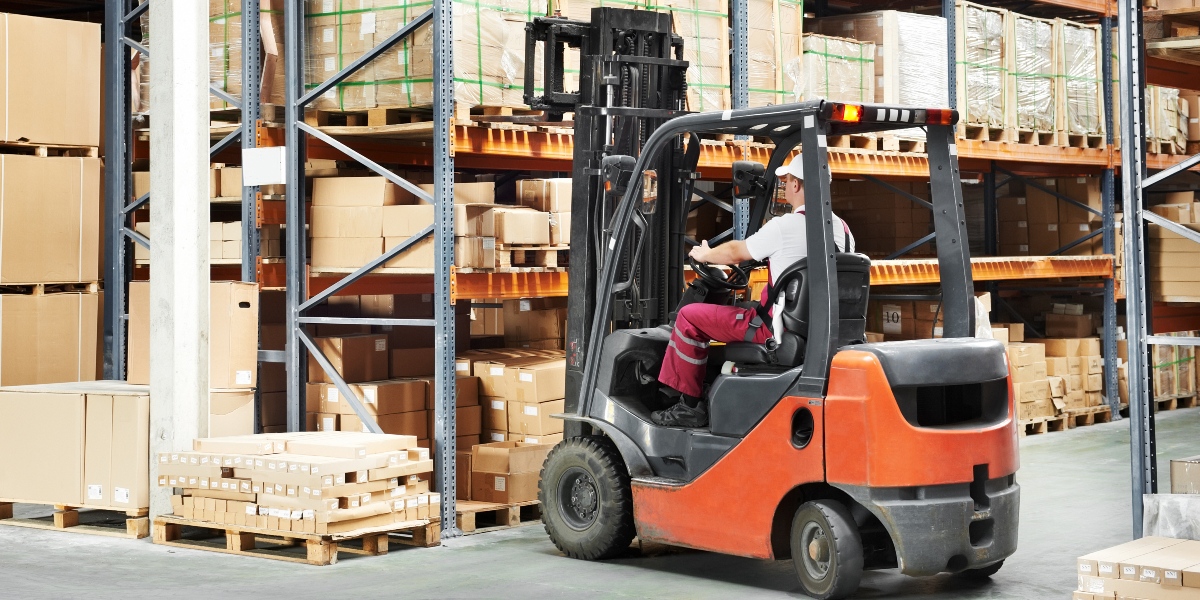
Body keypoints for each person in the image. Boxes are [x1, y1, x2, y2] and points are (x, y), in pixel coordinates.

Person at [651, 157, 856, 427]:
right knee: (745, 307)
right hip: (819, 331)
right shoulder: (843, 231)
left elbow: (737, 251)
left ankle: (688, 406)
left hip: (774, 331)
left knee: (688, 317)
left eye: (786, 182)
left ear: (795, 184)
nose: (785, 187)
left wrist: (705, 254)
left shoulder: (784, 227)